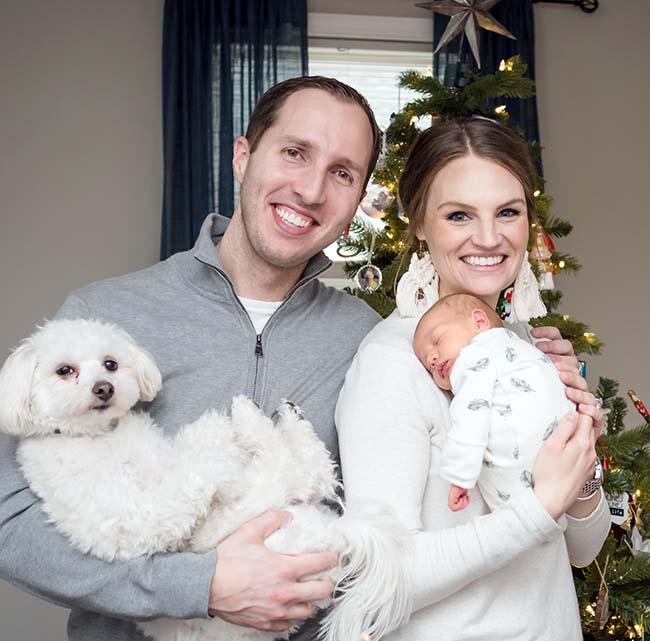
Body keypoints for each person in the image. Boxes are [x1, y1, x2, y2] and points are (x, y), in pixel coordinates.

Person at [0, 76, 382, 641]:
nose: (310, 189)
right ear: (243, 156)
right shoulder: (103, 319)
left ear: (355, 204)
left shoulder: (367, 338)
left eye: (342, 173)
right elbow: (10, 523)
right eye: (294, 152)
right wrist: (197, 586)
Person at [336, 117, 611, 640]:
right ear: (419, 223)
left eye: (508, 212)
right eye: (459, 214)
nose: (489, 237)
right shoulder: (393, 361)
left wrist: (582, 456)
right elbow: (382, 577)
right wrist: (537, 508)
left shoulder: (530, 347)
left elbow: (581, 549)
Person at [413, 292, 576, 513]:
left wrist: (460, 476)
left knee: (523, 529)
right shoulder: (521, 346)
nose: (432, 359)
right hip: (562, 466)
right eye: (427, 363)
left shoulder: (474, 355)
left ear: (479, 322)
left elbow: (470, 414)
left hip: (517, 482)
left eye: (437, 341)